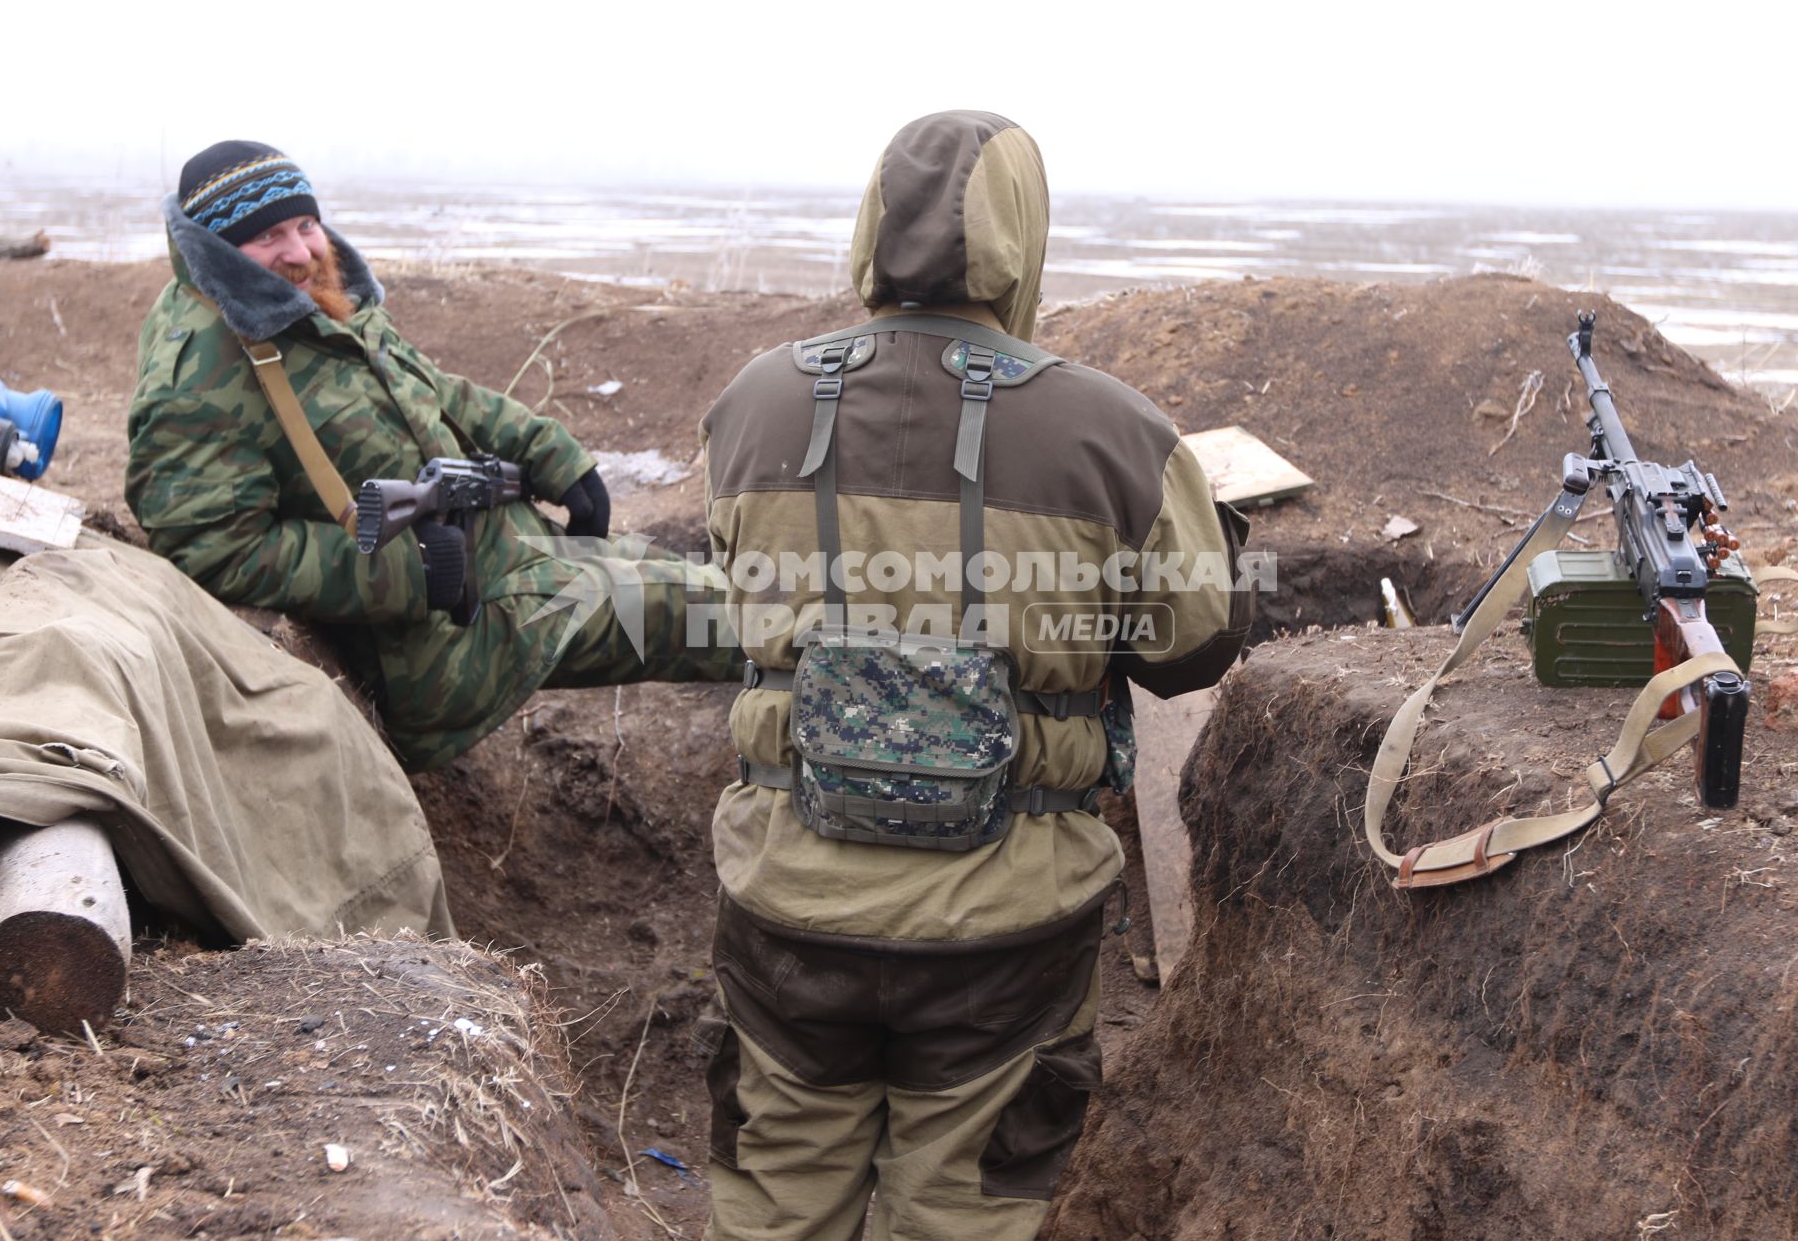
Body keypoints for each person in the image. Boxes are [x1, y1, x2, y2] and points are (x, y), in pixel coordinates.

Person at [696, 110, 1255, 1239]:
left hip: (787, 910)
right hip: (1007, 927)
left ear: (870, 228)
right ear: (1024, 240)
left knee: (770, 1205)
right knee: (962, 1213)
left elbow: (740, 602)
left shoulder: (749, 404)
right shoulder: (1115, 432)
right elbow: (1195, 643)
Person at [126, 141, 739, 771]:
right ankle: (839, 715)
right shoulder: (198, 378)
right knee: (713, 612)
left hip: (504, 551)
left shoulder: (305, 306)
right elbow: (212, 549)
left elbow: (429, 390)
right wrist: (411, 569)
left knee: (707, 584)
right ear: (220, 249)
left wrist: (551, 452)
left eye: (305, 224)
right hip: (444, 645)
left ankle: (833, 651)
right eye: (267, 236)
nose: (300, 251)